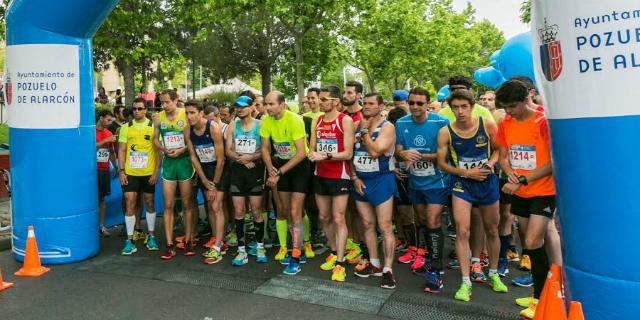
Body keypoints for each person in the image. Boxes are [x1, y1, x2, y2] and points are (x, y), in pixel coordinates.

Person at [495, 80, 561, 319]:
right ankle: (539, 296)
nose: (509, 111)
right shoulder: (505, 122)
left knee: (533, 241)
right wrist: (508, 170)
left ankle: (545, 297)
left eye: (513, 106)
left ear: (526, 99)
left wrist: (522, 179)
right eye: (505, 107)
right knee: (528, 242)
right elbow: (503, 155)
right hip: (520, 191)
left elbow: (553, 163)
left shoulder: (543, 122)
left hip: (543, 190)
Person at [436, 89, 508, 302]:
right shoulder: (445, 132)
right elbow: (440, 162)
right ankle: (465, 281)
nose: (460, 111)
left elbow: (499, 150)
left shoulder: (486, 125)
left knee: (492, 229)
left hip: (487, 182)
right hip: (462, 183)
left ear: (472, 106)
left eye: (464, 107)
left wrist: (489, 165)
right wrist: (466, 172)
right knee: (462, 230)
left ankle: (494, 273)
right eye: (455, 107)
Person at [395, 87, 451, 293]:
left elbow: (443, 155)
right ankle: (429, 257)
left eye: (420, 103)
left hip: (438, 181)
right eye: (412, 103)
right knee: (422, 221)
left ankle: (436, 271)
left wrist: (416, 155)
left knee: (433, 219)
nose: (415, 106)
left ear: (428, 103)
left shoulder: (440, 122)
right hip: (416, 181)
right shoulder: (401, 123)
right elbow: (398, 151)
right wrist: (403, 154)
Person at [350, 93, 398, 289]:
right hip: (361, 180)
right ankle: (374, 263)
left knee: (385, 226)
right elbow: (350, 155)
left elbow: (375, 152)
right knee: (367, 224)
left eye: (371, 104)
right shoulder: (356, 126)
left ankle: (388, 270)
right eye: (365, 104)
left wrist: (364, 133)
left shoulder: (387, 127)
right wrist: (354, 177)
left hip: (382, 180)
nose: (366, 107)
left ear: (380, 107)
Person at [260, 91, 310, 275]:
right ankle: (299, 250)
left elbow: (300, 153)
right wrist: (271, 168)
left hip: (299, 167)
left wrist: (279, 172)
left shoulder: (295, 120)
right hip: (280, 165)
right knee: (286, 211)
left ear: (282, 104)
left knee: (296, 212)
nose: (267, 107)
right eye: (266, 104)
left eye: (271, 104)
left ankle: (295, 257)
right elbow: (265, 148)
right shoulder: (266, 120)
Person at [308, 85, 354, 282]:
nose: (321, 102)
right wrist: (312, 154)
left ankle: (340, 263)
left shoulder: (345, 120)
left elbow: (348, 153)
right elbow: (312, 146)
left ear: (336, 101)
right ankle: (334, 251)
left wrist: (325, 155)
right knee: (324, 217)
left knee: (338, 218)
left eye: (325, 99)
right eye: (321, 98)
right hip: (321, 173)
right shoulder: (317, 120)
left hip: (339, 174)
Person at [225, 95, 268, 266]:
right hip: (237, 172)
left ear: (251, 107)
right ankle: (241, 250)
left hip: (255, 171)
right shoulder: (232, 125)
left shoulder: (260, 125)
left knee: (256, 211)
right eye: (237, 107)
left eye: (243, 106)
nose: (240, 109)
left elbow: (266, 149)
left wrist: (252, 157)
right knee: (239, 211)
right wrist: (240, 159)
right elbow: (228, 150)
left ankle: (259, 246)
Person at [154, 89, 196, 259]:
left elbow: (190, 140)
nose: (164, 106)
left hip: (184, 162)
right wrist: (164, 149)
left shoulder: (185, 116)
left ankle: (188, 241)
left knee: (187, 204)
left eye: (167, 102)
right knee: (169, 204)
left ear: (175, 100)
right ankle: (169, 244)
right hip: (169, 163)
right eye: (161, 103)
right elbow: (155, 139)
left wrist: (181, 151)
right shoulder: (158, 118)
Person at [184, 101, 226, 264]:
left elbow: (221, 159)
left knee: (216, 206)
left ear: (201, 113)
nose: (189, 116)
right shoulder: (187, 130)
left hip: (219, 170)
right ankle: (218, 240)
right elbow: (194, 157)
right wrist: (203, 179)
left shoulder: (213, 127)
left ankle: (217, 247)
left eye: (192, 113)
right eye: (187, 113)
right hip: (204, 171)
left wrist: (213, 184)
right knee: (210, 206)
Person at [117, 98, 161, 255]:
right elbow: (121, 150)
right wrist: (121, 170)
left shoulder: (153, 126)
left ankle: (151, 235)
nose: (136, 111)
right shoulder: (126, 128)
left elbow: (157, 151)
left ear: (145, 110)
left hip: (148, 173)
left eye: (139, 108)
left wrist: (156, 171)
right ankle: (130, 240)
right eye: (134, 108)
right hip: (131, 173)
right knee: (130, 202)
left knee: (149, 203)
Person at [96, 110, 118, 237]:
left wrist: (114, 165)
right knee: (90, 199)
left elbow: (111, 151)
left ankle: (101, 226)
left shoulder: (109, 133)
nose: (110, 123)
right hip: (92, 170)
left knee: (101, 199)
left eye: (111, 121)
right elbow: (90, 147)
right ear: (101, 118)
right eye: (108, 120)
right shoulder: (90, 131)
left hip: (104, 169)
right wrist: (105, 141)